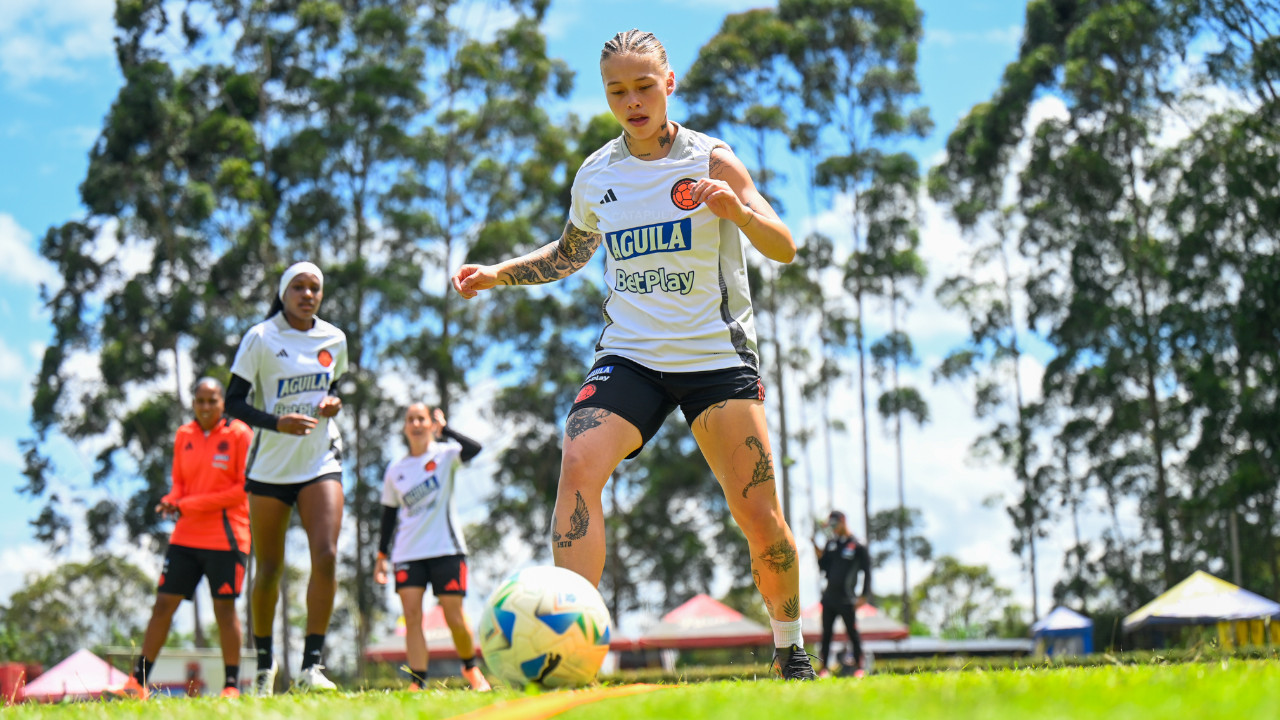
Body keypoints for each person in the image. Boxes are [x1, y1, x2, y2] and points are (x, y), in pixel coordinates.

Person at [452, 29, 815, 680]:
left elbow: (783, 245)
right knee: (578, 464)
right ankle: (571, 651)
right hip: (631, 357)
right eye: (617, 91)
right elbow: (570, 253)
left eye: (644, 86)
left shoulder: (712, 160)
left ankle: (790, 649)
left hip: (715, 360)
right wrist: (499, 273)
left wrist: (737, 211)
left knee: (758, 516)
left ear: (669, 83)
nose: (633, 101)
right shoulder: (597, 175)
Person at [224, 261, 348, 695]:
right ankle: (264, 664)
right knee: (270, 569)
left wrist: (333, 403)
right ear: (283, 292)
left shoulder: (334, 338)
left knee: (326, 555)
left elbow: (334, 387)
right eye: (298, 287)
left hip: (319, 460)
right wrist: (277, 423)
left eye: (314, 287)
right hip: (270, 468)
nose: (307, 294)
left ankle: (311, 666)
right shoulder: (260, 337)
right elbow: (233, 402)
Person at [122, 377, 254, 700]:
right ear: (193, 403)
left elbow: (241, 490)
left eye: (212, 400)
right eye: (200, 401)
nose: (206, 407)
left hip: (227, 537)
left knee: (225, 610)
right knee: (163, 604)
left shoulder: (239, 434)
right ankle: (137, 683)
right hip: (186, 536)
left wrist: (188, 504)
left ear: (223, 403)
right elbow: (179, 484)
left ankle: (231, 686)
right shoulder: (184, 435)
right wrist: (171, 500)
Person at [374, 405, 490, 691]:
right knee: (412, 617)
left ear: (430, 424)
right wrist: (381, 556)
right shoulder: (396, 470)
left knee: (454, 616)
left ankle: (471, 668)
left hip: (446, 549)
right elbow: (388, 515)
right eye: (410, 419)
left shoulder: (445, 455)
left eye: (421, 419)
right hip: (407, 553)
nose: (416, 424)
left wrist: (446, 430)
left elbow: (475, 449)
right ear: (404, 427)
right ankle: (418, 681)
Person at [812, 510, 871, 678]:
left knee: (853, 633)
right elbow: (823, 567)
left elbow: (867, 572)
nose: (833, 529)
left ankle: (860, 667)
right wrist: (816, 549)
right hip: (829, 597)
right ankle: (823, 669)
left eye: (835, 524)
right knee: (826, 634)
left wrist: (864, 595)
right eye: (831, 526)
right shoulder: (831, 544)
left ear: (843, 521)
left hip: (847, 598)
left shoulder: (858, 544)